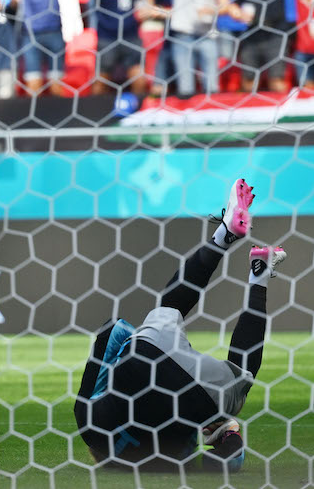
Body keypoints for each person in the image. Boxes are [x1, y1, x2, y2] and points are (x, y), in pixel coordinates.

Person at [74, 178, 287, 471]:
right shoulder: (91, 428)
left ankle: (259, 274)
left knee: (242, 379)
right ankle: (224, 235)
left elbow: (227, 454)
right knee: (169, 309)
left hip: (194, 397)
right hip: (145, 356)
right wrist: (133, 343)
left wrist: (224, 429)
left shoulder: (176, 456)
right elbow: (112, 330)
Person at [167, 0, 248, 98]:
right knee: (185, 89)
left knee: (211, 88)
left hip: (207, 34)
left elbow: (224, 4)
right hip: (182, 34)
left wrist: (210, 10)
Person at [68, 0, 147, 95]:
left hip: (131, 36)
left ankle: (139, 106)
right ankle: (96, 106)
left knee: (138, 77)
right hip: (107, 38)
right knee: (101, 80)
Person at [239, 0, 291, 93]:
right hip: (252, 36)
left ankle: (280, 104)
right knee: (248, 81)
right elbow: (236, 5)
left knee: (276, 80)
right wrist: (238, 13)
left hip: (275, 35)